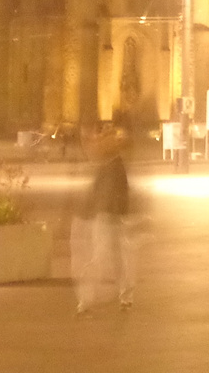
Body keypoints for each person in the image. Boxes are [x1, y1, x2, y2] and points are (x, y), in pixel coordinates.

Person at [75, 129, 135, 314]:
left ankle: (86, 300)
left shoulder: (112, 166)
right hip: (110, 217)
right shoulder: (111, 165)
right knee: (116, 259)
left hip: (107, 217)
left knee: (102, 259)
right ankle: (123, 296)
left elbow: (108, 194)